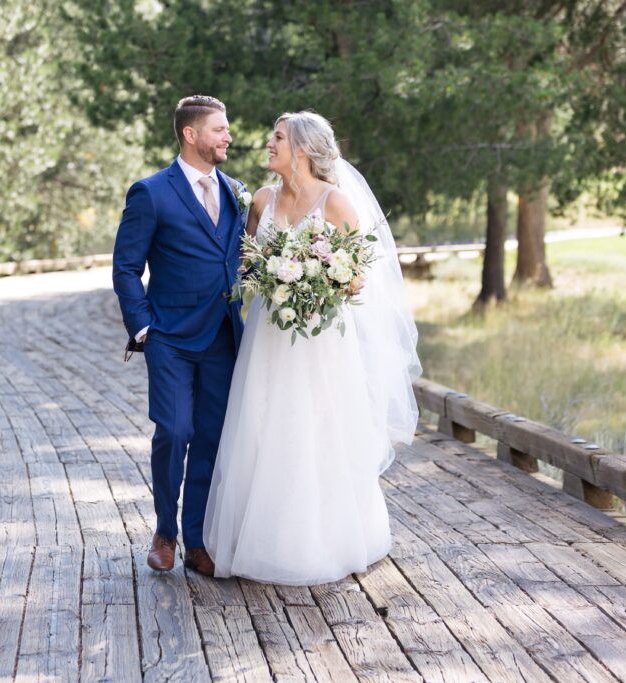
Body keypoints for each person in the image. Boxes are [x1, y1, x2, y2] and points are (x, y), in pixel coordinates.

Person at [203, 111, 422, 585]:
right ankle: (256, 538)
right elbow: (242, 265)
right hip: (268, 336)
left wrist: (318, 283)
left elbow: (359, 275)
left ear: (301, 149)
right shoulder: (260, 201)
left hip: (320, 343)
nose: (268, 143)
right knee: (261, 425)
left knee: (316, 430)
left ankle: (319, 542)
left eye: (277, 137)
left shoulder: (337, 203)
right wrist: (274, 278)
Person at [112, 95, 250, 576]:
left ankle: (197, 540)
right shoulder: (151, 193)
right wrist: (144, 326)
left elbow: (241, 255)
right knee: (175, 430)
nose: (228, 136)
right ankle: (164, 532)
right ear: (191, 134)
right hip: (168, 336)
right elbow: (126, 267)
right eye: (219, 129)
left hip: (223, 337)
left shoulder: (236, 191)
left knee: (210, 437)